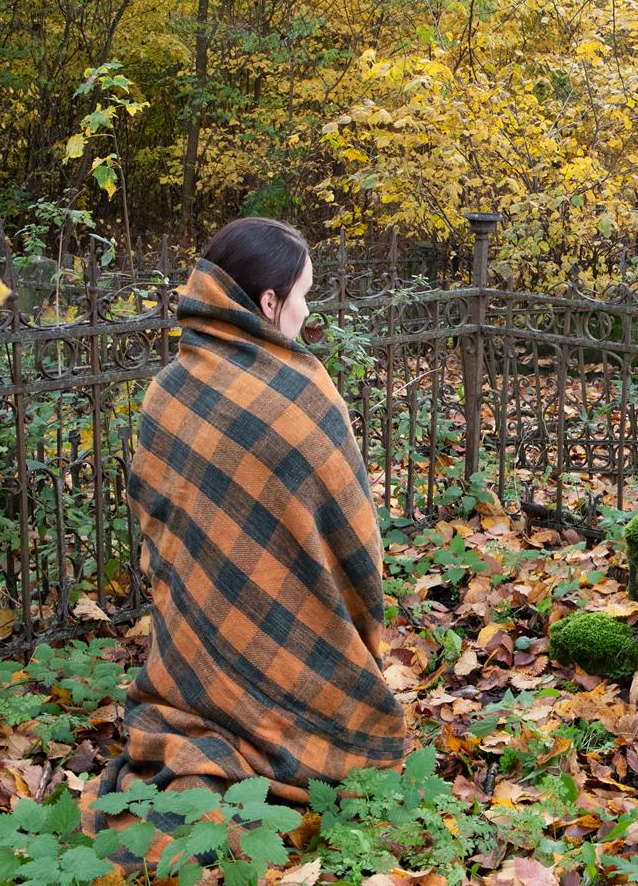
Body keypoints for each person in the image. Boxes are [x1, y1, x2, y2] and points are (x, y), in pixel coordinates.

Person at [83, 217, 406, 866]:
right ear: (269, 301)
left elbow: (157, 528)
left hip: (192, 648)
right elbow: (355, 538)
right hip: (299, 656)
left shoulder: (168, 390)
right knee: (366, 736)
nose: (308, 311)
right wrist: (357, 630)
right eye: (304, 295)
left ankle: (192, 784)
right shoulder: (301, 391)